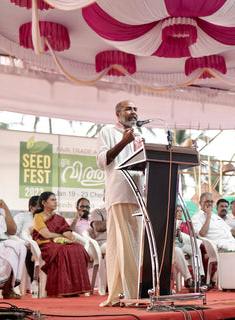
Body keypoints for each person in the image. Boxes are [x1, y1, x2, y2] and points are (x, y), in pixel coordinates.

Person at [96, 100, 145, 307]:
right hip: (119, 194)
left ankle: (120, 294)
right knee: (123, 247)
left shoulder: (140, 135)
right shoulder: (107, 131)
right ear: (118, 114)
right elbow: (102, 161)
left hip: (138, 196)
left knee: (131, 248)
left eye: (135, 109)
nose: (133, 112)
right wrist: (124, 142)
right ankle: (129, 295)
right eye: (128, 109)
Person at [32, 192, 92, 297]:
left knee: (78, 248)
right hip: (46, 245)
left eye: (55, 200)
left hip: (58, 243)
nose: (56, 202)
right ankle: (63, 289)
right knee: (63, 251)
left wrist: (71, 238)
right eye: (52, 200)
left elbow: (65, 230)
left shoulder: (58, 218)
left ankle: (74, 288)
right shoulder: (38, 217)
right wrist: (62, 237)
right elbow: (46, 234)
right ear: (44, 203)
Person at [0, 182, 27, 300]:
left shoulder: (2, 209)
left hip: (3, 241)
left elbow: (13, 231)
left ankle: (8, 289)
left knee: (19, 247)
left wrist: (6, 208)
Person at [13, 195, 39, 294]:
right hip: (24, 245)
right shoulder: (21, 217)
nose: (41, 208)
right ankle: (35, 282)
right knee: (29, 251)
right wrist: (25, 243)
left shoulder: (43, 219)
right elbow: (14, 234)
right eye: (39, 206)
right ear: (31, 207)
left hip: (39, 246)